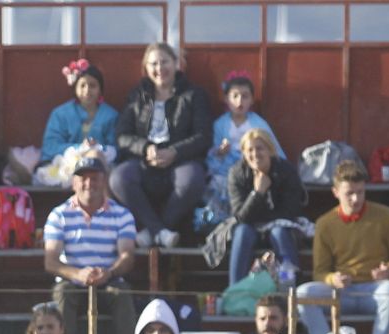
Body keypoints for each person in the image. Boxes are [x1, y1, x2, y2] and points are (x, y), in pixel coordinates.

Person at [295, 159, 389, 334]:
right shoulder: (325, 223)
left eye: (360, 192)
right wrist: (333, 279)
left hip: (374, 290)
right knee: (302, 294)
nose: (356, 199)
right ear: (336, 192)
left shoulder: (385, 215)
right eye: (349, 193)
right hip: (342, 292)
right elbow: (320, 272)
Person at [111, 43, 212, 248]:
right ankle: (160, 231)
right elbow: (122, 135)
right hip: (144, 160)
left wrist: (174, 152)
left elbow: (203, 135)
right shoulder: (137, 96)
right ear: (146, 69)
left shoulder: (194, 95)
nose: (160, 68)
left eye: (165, 61)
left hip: (180, 159)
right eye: (154, 63)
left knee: (192, 179)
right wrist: (146, 148)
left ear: (176, 64)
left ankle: (152, 232)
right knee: (119, 178)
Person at [42, 153, 137, 334]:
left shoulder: (122, 215)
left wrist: (109, 273)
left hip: (109, 279)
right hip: (72, 282)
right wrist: (78, 274)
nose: (88, 183)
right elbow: (51, 262)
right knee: (62, 293)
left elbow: (127, 256)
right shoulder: (59, 215)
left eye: (94, 178)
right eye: (83, 178)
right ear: (74, 182)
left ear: (103, 181)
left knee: (122, 293)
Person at [225, 129, 307, 287]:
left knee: (279, 233)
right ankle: (235, 290)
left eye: (260, 148)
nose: (255, 154)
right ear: (243, 153)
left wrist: (266, 221)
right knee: (242, 232)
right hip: (250, 227)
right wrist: (257, 193)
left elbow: (290, 211)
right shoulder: (237, 174)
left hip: (279, 227)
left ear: (270, 150)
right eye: (250, 150)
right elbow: (240, 217)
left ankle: (289, 287)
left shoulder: (286, 171)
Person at [205, 71, 284, 220]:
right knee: (218, 185)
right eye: (234, 96)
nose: (239, 101)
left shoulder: (258, 124)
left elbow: (272, 149)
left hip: (252, 168)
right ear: (226, 99)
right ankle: (219, 223)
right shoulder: (220, 124)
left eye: (245, 96)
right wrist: (220, 151)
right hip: (224, 170)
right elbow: (211, 154)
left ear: (252, 100)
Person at [41, 58, 117, 167]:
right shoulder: (60, 114)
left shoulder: (111, 116)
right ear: (75, 88)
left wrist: (97, 148)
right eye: (82, 85)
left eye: (92, 86)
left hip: (99, 166)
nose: (87, 90)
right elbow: (50, 146)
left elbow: (116, 148)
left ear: (100, 89)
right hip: (64, 165)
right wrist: (79, 148)